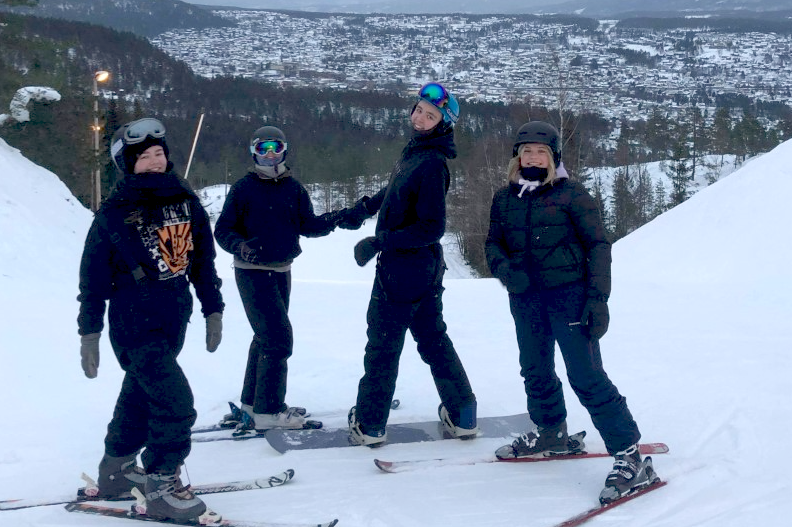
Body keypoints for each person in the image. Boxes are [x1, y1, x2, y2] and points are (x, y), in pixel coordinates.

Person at [485, 120, 659, 504]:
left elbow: (599, 245)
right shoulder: (504, 198)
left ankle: (632, 458)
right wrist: (505, 271)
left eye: (540, 152)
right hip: (526, 299)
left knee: (586, 376)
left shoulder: (571, 195)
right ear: (517, 157)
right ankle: (551, 432)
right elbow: (493, 244)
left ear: (553, 158)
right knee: (535, 368)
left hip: (570, 298)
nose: (532, 157)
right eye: (526, 151)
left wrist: (599, 300)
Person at [77, 117, 224, 523]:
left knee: (140, 398)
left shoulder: (187, 201)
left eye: (159, 153)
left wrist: (213, 308)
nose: (155, 161)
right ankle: (161, 485)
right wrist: (89, 331)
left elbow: (203, 263)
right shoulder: (114, 212)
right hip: (133, 323)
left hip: (174, 317)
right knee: (176, 404)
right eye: (145, 156)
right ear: (128, 164)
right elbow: (92, 278)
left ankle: (117, 470)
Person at [340, 82, 478, 446]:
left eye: (430, 115)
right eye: (418, 109)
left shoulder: (432, 163)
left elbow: (432, 227)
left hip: (403, 270)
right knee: (433, 340)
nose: (419, 118)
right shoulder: (419, 152)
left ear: (443, 123)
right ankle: (463, 415)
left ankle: (369, 424)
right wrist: (366, 208)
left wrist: (378, 241)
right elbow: (399, 189)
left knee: (383, 344)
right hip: (423, 270)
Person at [213, 125, 346, 431]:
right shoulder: (244, 188)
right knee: (277, 338)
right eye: (263, 149)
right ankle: (269, 411)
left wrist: (336, 218)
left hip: (282, 272)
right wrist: (240, 246)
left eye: (275, 148)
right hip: (252, 273)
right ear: (253, 153)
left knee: (266, 337)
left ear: (285, 150)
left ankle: (252, 402)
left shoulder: (293, 188)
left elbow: (308, 225)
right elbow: (223, 229)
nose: (270, 155)